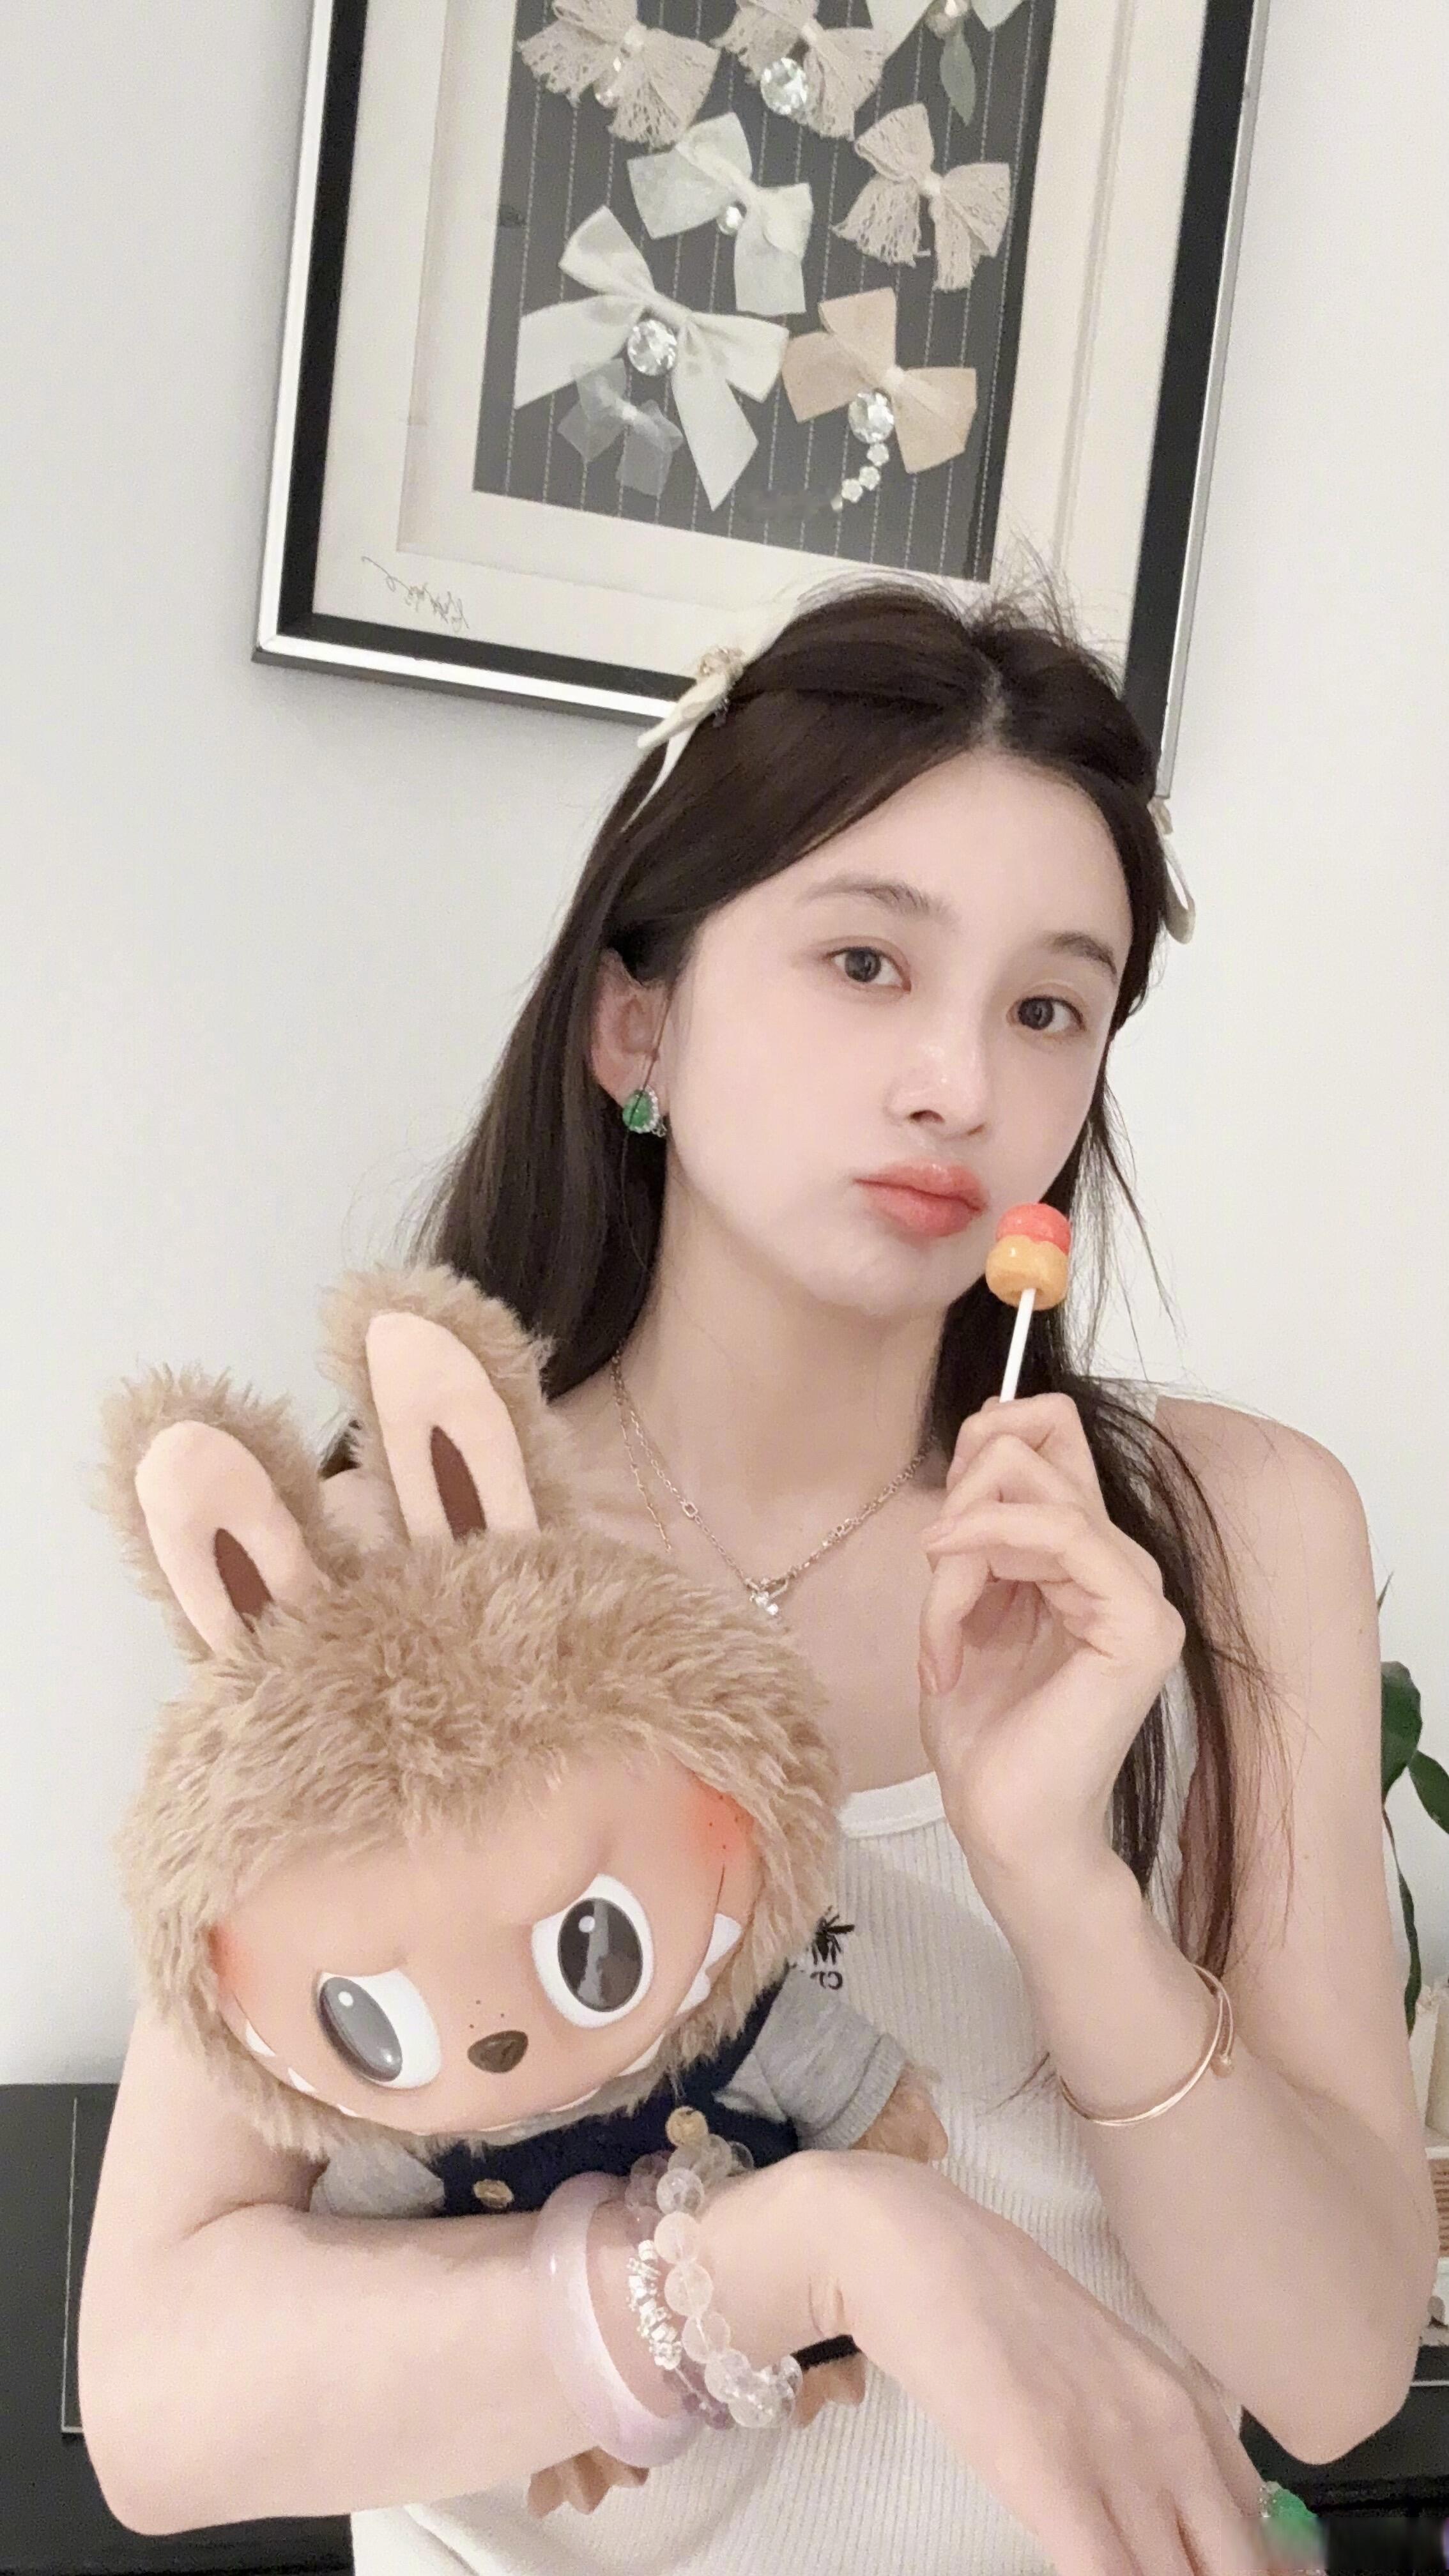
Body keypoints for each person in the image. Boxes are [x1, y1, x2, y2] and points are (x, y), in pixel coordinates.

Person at [78, 572, 1436, 2575]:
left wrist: (1062, 1883)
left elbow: (1328, 2377)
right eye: (865, 962)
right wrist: (824, 2245)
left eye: (1047, 1006)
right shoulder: (386, 1574)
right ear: (635, 1020)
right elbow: (162, 2409)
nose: (959, 1082)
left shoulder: (1229, 1535)